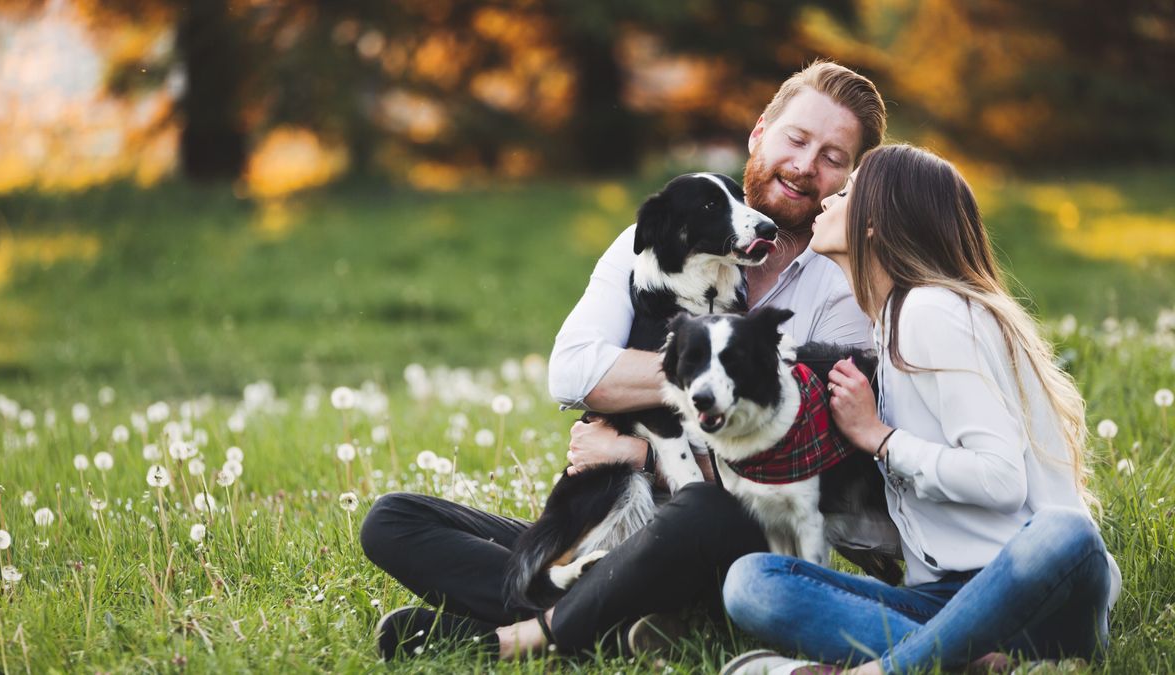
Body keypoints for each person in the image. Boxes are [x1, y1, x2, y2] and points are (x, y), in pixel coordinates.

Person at [361, 60, 888, 660]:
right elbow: (574, 372)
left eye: (832, 157)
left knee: (705, 510)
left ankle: (523, 637)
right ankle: (611, 620)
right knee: (393, 520)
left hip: (725, 534)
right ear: (760, 132)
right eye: (797, 139)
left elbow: (801, 455)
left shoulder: (843, 287)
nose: (804, 166)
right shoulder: (663, 234)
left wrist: (641, 450)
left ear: (852, 177)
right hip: (615, 526)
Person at [719, 144, 1122, 675]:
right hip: (948, 603)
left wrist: (879, 438)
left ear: (873, 223)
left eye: (844, 194)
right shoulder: (887, 326)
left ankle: (886, 671)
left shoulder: (932, 310)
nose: (826, 203)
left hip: (1039, 588)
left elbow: (1001, 480)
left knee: (1064, 532)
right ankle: (967, 663)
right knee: (754, 582)